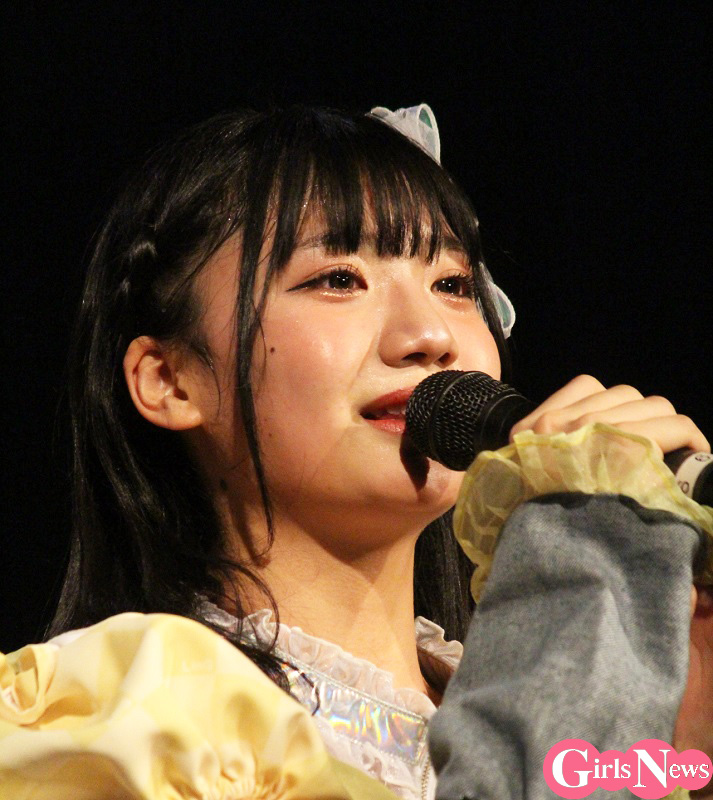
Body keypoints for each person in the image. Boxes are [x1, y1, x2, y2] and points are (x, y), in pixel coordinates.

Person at [0, 104, 711, 800]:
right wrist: (579, 574)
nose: (430, 335)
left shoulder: (549, 682)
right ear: (171, 380)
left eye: (453, 285)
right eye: (338, 279)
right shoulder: (125, 721)